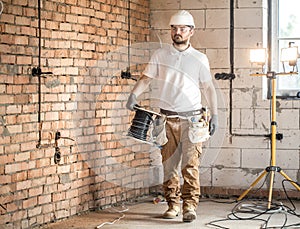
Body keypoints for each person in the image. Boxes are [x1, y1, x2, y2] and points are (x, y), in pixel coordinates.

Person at [126, 10, 218, 223]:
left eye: (183, 28)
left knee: (190, 165)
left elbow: (209, 88)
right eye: (174, 28)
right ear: (171, 31)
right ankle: (172, 204)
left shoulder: (199, 58)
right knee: (168, 165)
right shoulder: (161, 55)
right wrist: (133, 95)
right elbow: (146, 79)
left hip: (193, 121)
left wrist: (216, 116)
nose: (178, 32)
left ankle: (189, 207)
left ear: (191, 31)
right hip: (165, 120)